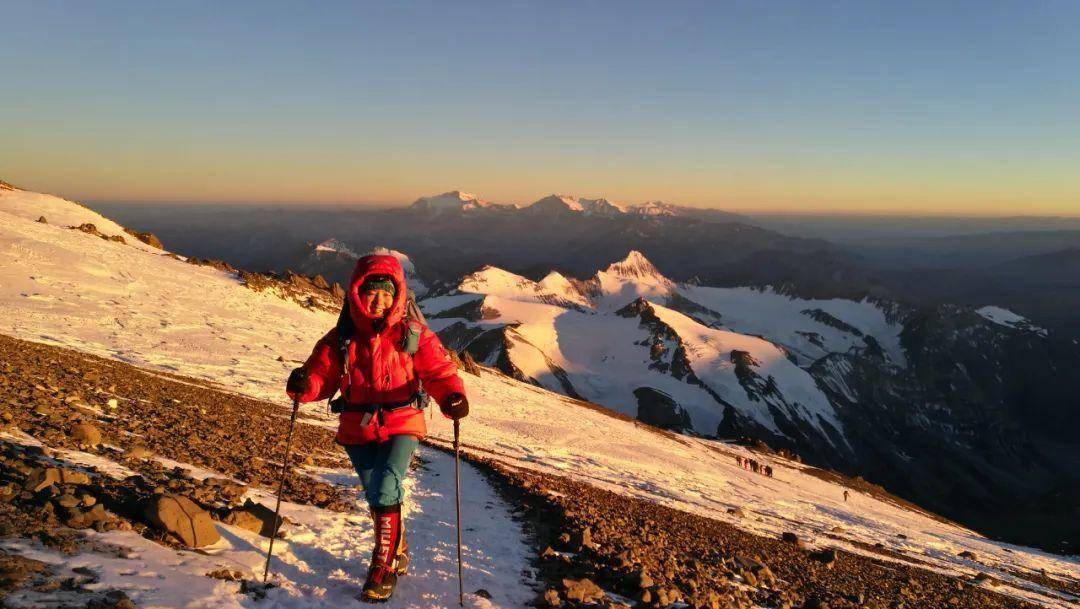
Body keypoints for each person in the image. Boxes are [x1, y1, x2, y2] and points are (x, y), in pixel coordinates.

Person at [285, 253, 468, 603]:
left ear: (398, 295)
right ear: (357, 292)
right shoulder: (341, 337)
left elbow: (439, 372)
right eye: (373, 292)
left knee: (385, 484)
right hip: (357, 425)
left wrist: (452, 397)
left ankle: (382, 567)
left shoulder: (414, 334)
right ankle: (397, 547)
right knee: (377, 491)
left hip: (403, 421)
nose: (379, 300)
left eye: (387, 293)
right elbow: (322, 376)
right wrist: (304, 385)